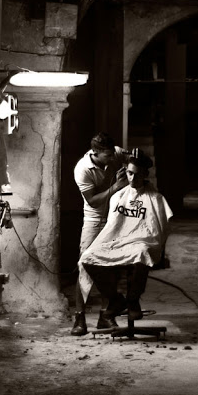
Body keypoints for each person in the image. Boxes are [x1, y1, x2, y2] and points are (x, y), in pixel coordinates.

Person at [79, 153, 173, 330]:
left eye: (137, 174)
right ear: (125, 172)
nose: (132, 178)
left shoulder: (155, 199)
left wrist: (151, 243)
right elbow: (112, 227)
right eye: (130, 173)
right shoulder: (118, 196)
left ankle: (133, 300)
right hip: (118, 241)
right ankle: (115, 300)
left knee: (140, 253)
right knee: (88, 257)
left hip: (141, 243)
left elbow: (161, 230)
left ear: (145, 174)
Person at [71, 132, 135, 335]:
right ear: (95, 152)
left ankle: (106, 317)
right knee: (85, 266)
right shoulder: (83, 169)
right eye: (107, 155)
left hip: (116, 217)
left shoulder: (115, 153)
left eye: (112, 154)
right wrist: (116, 187)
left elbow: (132, 159)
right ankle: (79, 318)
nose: (111, 158)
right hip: (95, 220)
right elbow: (92, 201)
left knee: (112, 267)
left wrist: (134, 160)